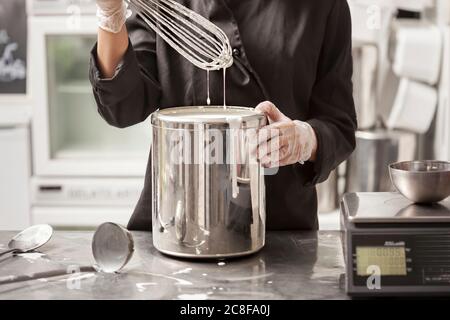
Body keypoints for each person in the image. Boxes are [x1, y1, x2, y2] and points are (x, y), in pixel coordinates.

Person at [89, 0, 357, 231]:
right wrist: (110, 14)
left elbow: (339, 125)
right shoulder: (164, 6)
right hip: (177, 224)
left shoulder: (323, 7)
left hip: (280, 232)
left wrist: (304, 140)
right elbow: (123, 107)